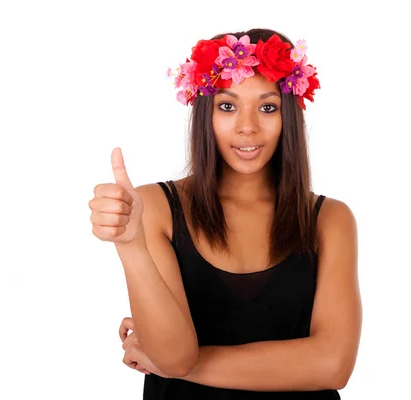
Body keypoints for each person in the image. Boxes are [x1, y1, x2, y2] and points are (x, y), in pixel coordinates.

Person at [89, 28, 362, 399]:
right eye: (227, 106)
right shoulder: (155, 208)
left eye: (267, 107)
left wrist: (179, 363)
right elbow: (173, 356)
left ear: (288, 118)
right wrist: (130, 244)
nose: (247, 127)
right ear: (206, 113)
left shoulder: (329, 219)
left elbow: (333, 365)